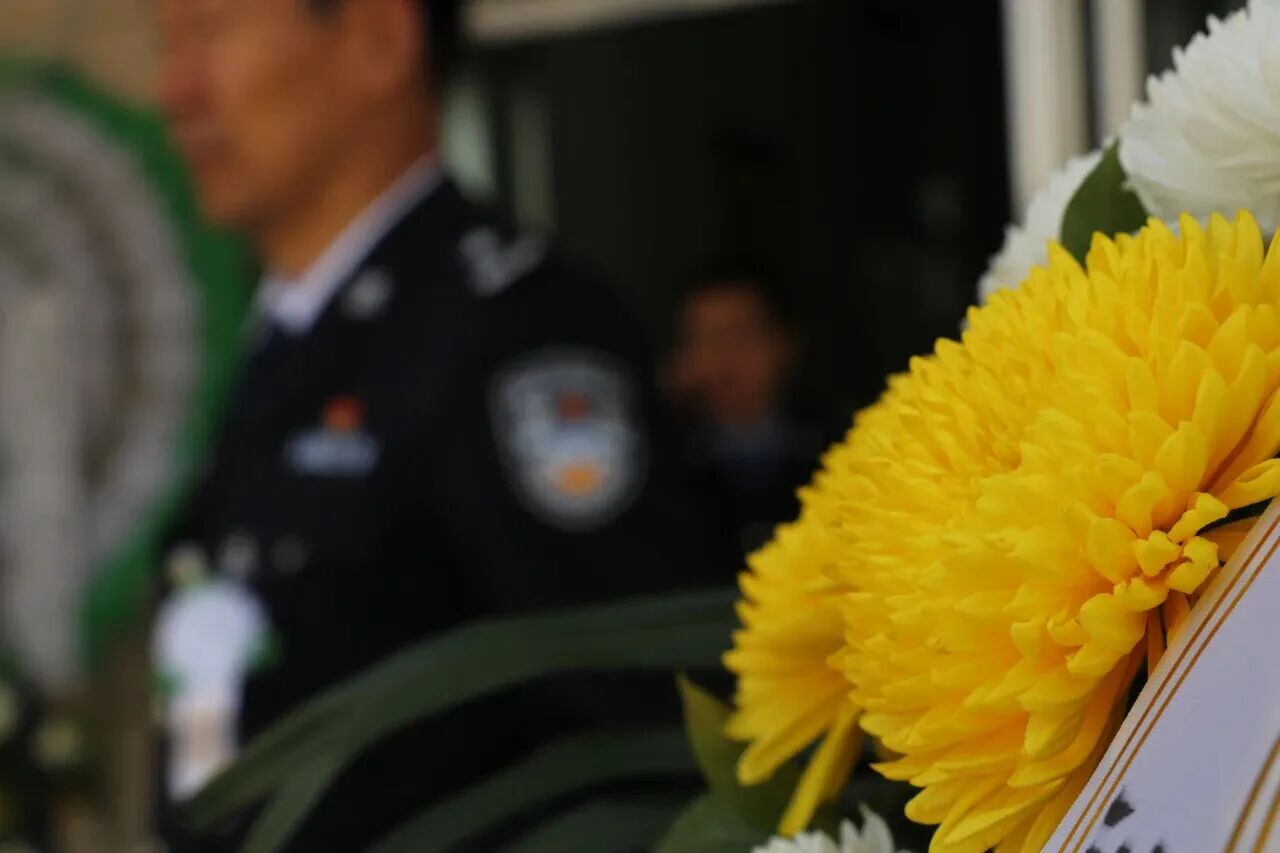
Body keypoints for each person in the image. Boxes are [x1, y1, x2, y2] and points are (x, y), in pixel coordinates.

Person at [149, 0, 730, 848]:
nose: (175, 90)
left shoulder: (513, 333)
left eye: (210, 32)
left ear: (379, 40)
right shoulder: (286, 338)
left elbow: (649, 739)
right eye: (166, 44)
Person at [666, 264, 833, 555]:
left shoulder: (840, 443)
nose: (721, 360)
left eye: (738, 336)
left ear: (785, 344)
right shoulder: (663, 462)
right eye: (703, 340)